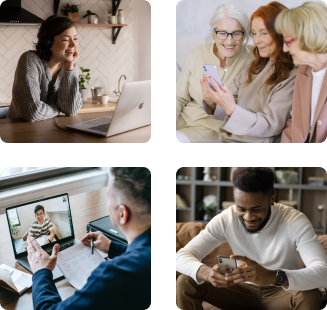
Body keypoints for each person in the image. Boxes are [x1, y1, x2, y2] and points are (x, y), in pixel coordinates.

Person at [176, 167, 327, 310]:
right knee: (186, 281)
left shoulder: (294, 220)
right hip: (240, 290)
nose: (248, 217)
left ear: (272, 198)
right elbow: (180, 256)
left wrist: (271, 276)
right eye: (241, 208)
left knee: (309, 294)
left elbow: (323, 272)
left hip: (280, 292)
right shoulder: (227, 218)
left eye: (257, 209)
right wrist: (206, 273)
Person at [26, 167, 151, 310]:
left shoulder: (113, 276)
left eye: (108, 198)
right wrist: (112, 246)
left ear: (122, 214)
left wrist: (41, 271)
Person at [201, 1, 298, 143]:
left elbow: (271, 125)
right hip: (228, 139)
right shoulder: (254, 66)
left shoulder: (293, 75)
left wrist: (231, 108)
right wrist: (212, 101)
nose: (257, 40)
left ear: (281, 33)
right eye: (254, 33)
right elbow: (229, 104)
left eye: (264, 33)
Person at [176, 4, 256, 143]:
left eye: (236, 33)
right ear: (213, 33)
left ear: (244, 36)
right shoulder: (197, 52)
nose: (229, 41)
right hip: (183, 122)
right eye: (222, 33)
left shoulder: (253, 59)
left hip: (215, 131)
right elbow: (178, 97)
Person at [6, 15, 82, 122]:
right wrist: (57, 109)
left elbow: (71, 110)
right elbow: (32, 112)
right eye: (66, 39)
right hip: (20, 132)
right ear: (48, 42)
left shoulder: (70, 66)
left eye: (75, 38)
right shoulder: (30, 60)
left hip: (49, 131)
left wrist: (69, 68)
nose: (74, 44)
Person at [274, 2, 327, 143]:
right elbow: (295, 122)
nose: (285, 49)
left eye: (287, 41)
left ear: (308, 35)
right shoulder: (304, 70)